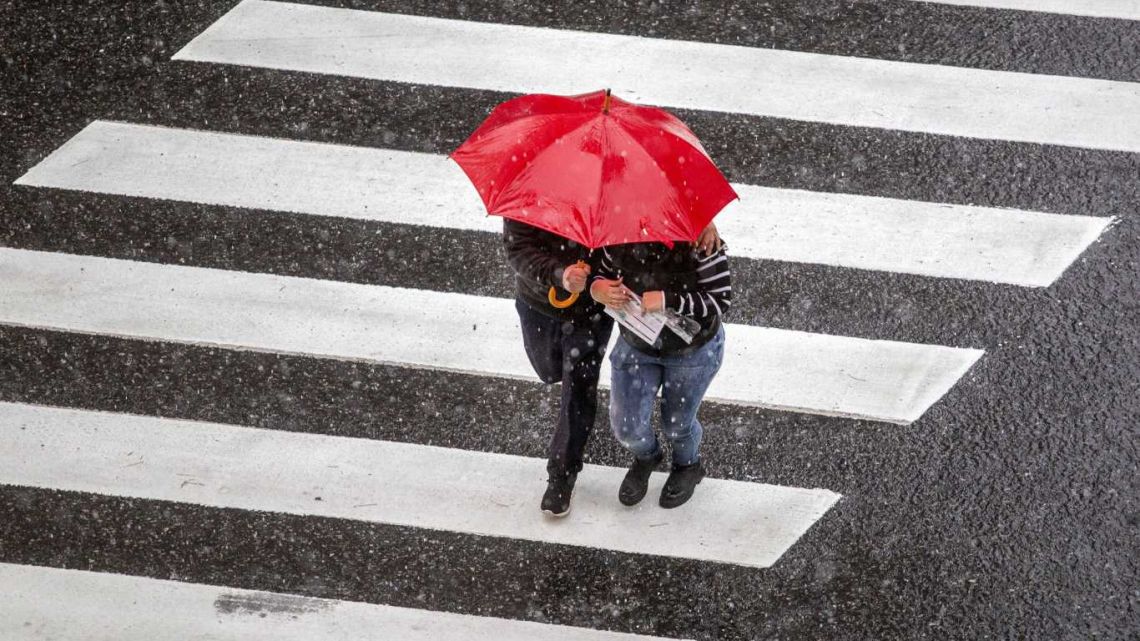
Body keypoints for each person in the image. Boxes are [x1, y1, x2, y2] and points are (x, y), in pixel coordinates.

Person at [504, 220, 722, 516]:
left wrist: (701, 222)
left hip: (656, 338)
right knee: (562, 380)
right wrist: (575, 279)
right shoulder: (534, 187)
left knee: (668, 421)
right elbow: (520, 249)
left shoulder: (681, 235)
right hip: (561, 308)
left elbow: (720, 298)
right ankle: (647, 455)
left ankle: (565, 474)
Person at [590, 238, 731, 509]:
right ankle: (647, 456)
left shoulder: (701, 239)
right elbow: (602, 272)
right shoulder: (616, 235)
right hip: (637, 342)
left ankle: (687, 465)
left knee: (677, 424)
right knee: (627, 427)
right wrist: (598, 288)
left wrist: (669, 299)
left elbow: (720, 299)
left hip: (692, 350)